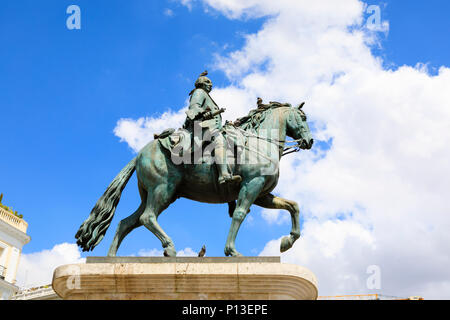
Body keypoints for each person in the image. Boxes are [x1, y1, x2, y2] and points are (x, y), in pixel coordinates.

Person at [183, 71, 241, 185]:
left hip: (212, 128)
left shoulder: (206, 95)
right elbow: (194, 107)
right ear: (201, 83)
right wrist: (202, 113)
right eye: (208, 82)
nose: (211, 85)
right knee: (219, 141)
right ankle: (223, 175)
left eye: (211, 83)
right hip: (202, 128)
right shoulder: (199, 92)